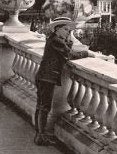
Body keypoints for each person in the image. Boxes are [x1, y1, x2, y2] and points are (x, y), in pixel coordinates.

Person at [34, 17, 91, 146]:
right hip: (47, 78)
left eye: (69, 30)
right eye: (65, 29)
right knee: (44, 107)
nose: (67, 32)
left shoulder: (54, 40)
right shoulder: (56, 41)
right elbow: (70, 55)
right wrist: (87, 53)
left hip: (43, 76)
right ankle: (40, 136)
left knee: (41, 105)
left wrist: (68, 38)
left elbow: (66, 50)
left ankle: (39, 134)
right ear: (57, 29)